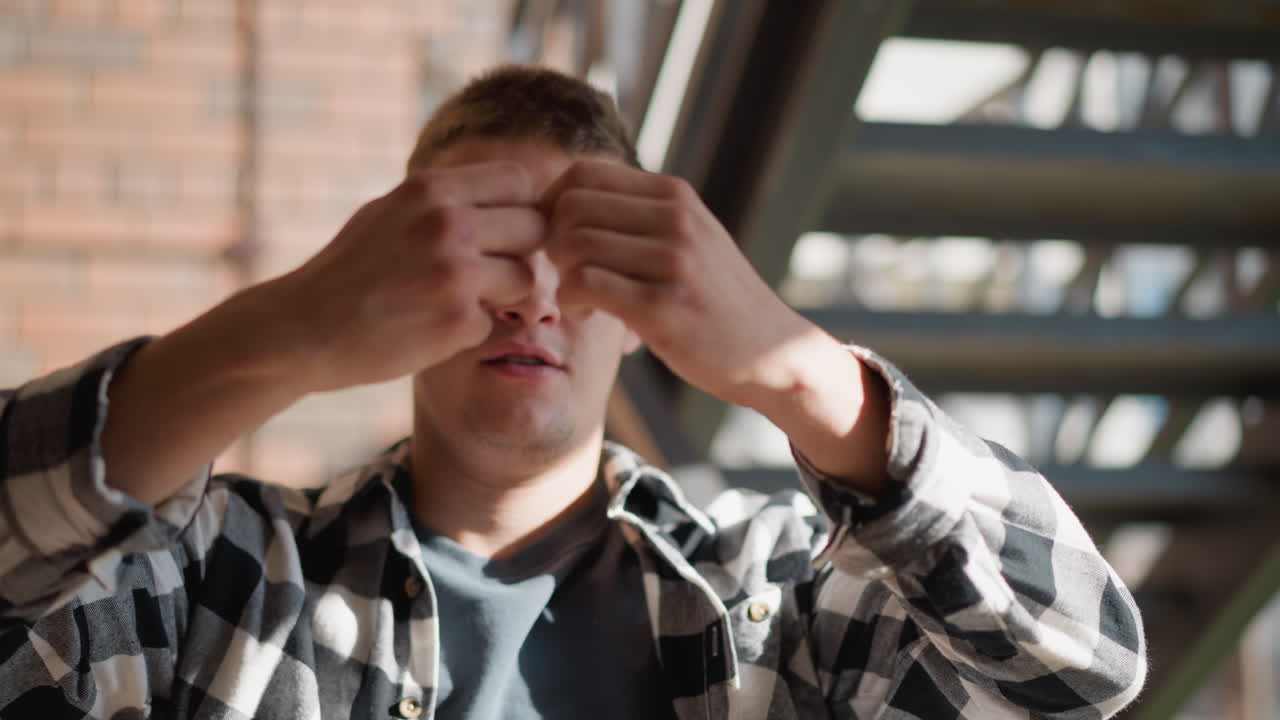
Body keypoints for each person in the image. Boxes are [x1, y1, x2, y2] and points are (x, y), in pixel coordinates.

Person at [0, 65, 1145, 719]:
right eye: (479, 245)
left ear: (658, 309)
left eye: (588, 251)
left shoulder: (783, 599)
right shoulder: (215, 581)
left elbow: (1082, 670)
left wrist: (801, 372)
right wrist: (284, 328)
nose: (530, 296)